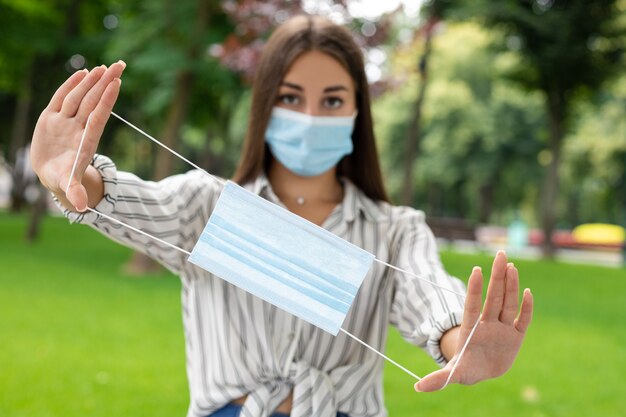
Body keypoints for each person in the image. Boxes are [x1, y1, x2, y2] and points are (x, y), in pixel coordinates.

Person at [31, 15, 533, 417]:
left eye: (332, 100)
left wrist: (460, 339)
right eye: (291, 98)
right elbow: (127, 201)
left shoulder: (396, 229)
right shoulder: (208, 205)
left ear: (358, 113)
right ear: (265, 106)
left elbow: (425, 289)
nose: (311, 118)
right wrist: (71, 174)